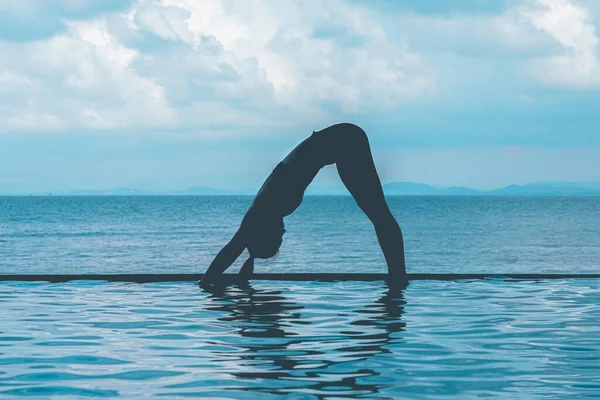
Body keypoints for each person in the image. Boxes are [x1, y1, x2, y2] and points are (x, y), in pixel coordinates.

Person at [199, 123, 406, 288]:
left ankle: (398, 279)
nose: (284, 232)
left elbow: (232, 249)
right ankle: (397, 277)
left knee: (380, 217)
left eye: (278, 238)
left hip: (345, 141)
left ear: (266, 233)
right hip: (342, 142)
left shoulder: (263, 208)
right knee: (380, 217)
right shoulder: (264, 211)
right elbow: (238, 245)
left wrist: (206, 283)